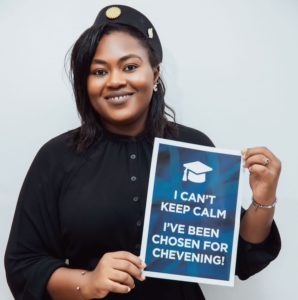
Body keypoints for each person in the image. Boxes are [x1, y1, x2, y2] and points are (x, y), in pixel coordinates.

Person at [4, 4, 281, 300]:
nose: (115, 81)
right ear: (86, 84)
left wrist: (263, 201)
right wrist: (87, 281)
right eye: (99, 71)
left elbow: (235, 257)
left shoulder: (191, 148)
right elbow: (23, 263)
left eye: (130, 66)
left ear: (155, 73)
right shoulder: (56, 157)